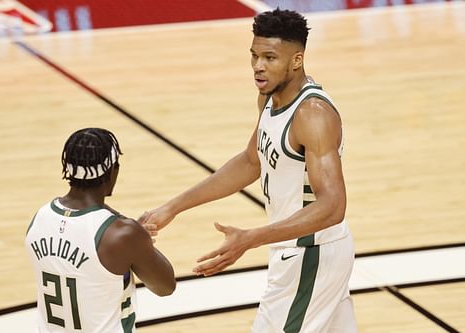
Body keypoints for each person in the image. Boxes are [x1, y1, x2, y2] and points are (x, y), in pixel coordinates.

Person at [144, 8, 357, 333]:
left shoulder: (312, 116)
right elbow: (250, 162)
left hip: (310, 255)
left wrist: (252, 238)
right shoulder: (270, 97)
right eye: (255, 56)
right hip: (299, 252)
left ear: (297, 60)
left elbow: (333, 206)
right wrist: (171, 208)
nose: (258, 66)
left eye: (270, 58)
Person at [25, 128, 175, 333]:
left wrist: (131, 236)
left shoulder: (40, 217)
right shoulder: (123, 234)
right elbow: (165, 287)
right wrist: (138, 240)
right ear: (113, 170)